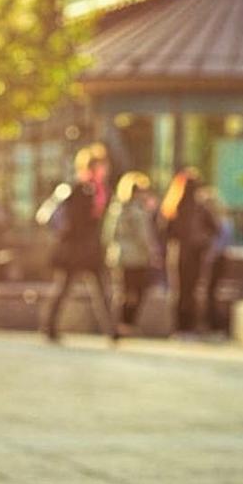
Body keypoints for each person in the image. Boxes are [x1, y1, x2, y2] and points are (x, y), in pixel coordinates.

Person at [40, 143, 119, 343]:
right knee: (65, 287)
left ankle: (112, 330)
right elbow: (75, 220)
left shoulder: (101, 191)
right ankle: (49, 327)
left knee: (101, 289)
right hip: (75, 249)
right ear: (93, 167)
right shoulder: (79, 189)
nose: (105, 170)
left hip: (90, 249)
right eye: (102, 166)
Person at [161, 169, 218, 339]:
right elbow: (215, 228)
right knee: (190, 291)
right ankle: (188, 326)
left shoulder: (174, 206)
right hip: (193, 253)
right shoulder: (198, 207)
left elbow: (165, 231)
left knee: (182, 291)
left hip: (181, 253)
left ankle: (181, 326)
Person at [104, 171, 159, 334]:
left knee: (123, 290)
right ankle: (127, 323)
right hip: (136, 257)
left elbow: (107, 235)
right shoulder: (137, 210)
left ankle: (120, 323)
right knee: (136, 291)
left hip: (118, 256)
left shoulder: (116, 208)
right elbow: (144, 236)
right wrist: (153, 252)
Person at [200, 187, 232, 339]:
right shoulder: (218, 221)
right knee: (209, 292)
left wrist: (209, 256)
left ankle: (216, 325)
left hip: (217, 260)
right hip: (216, 259)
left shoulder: (221, 222)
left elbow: (220, 244)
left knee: (211, 293)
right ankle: (212, 324)